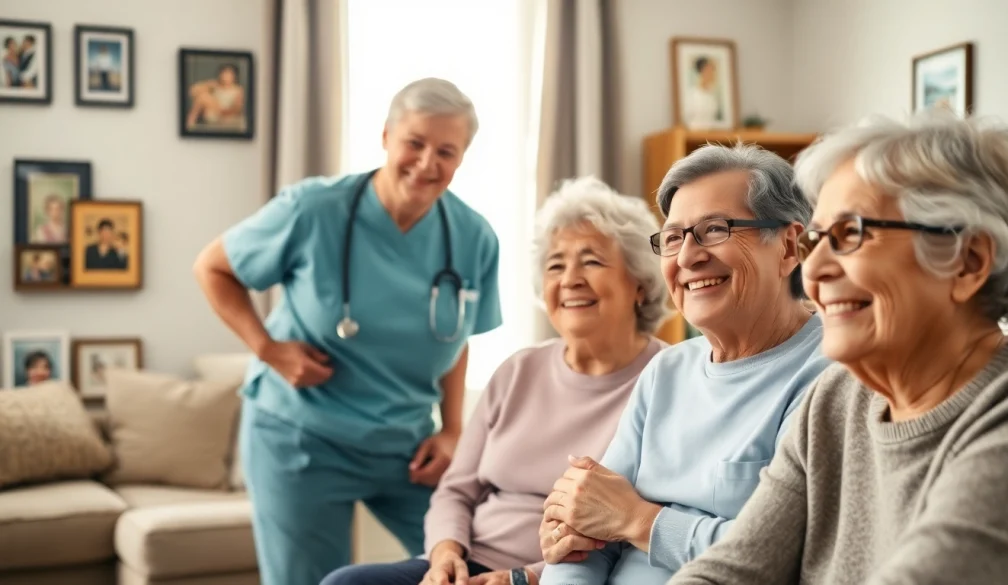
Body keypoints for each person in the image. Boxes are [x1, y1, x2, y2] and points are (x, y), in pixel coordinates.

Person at [667, 113, 1008, 585]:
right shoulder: (836, 399)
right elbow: (728, 571)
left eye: (850, 234)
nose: (814, 270)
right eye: (817, 239)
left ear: (967, 262)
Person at [192, 77, 503, 585]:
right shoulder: (313, 209)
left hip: (406, 447)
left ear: (462, 158)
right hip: (302, 437)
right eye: (415, 143)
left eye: (446, 151)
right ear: (385, 137)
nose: (427, 163)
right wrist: (268, 349)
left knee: (475, 564)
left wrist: (451, 432)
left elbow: (457, 336)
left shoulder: (474, 237)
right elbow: (213, 268)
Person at [319, 176, 673, 585]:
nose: (570, 278)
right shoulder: (518, 370)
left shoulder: (667, 378)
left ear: (641, 286)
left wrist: (524, 578)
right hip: (467, 562)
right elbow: (456, 491)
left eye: (591, 260)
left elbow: (641, 529)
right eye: (556, 265)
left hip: (562, 576)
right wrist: (445, 554)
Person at [537, 144, 833, 585]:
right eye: (674, 237)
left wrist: (639, 521)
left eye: (715, 229)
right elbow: (586, 529)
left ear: (790, 246)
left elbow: (788, 558)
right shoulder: (665, 372)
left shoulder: (830, 372)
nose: (688, 256)